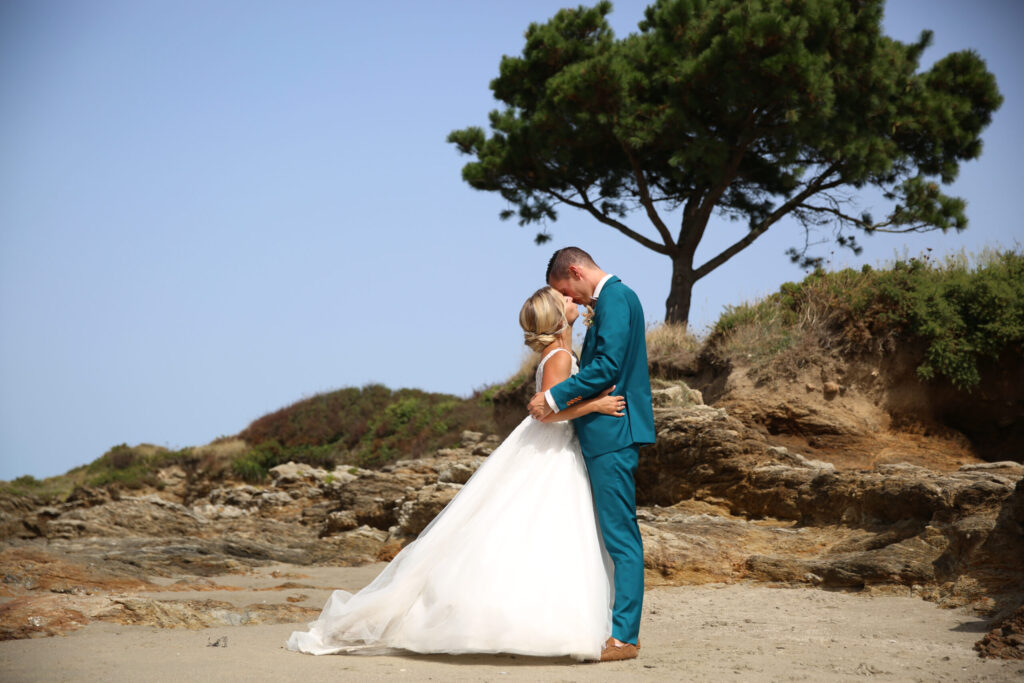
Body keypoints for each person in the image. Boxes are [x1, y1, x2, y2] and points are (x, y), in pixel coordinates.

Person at [287, 286, 624, 661]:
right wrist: (597, 404)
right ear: (557, 318)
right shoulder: (560, 356)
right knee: (543, 531)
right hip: (552, 447)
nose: (571, 300)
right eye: (565, 300)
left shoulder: (557, 353)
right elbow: (545, 412)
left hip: (550, 446)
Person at [528, 246, 656, 662]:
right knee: (609, 538)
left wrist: (552, 397)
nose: (574, 301)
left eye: (568, 290)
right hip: (604, 433)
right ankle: (610, 629)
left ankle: (624, 638)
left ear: (576, 271)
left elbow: (606, 366)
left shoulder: (616, 298)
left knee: (621, 538)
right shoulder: (616, 300)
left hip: (612, 435)